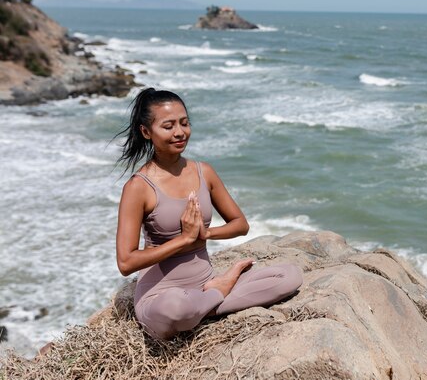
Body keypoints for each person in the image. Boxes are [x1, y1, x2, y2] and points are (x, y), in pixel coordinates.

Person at [114, 88, 303, 340]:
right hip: (162, 296)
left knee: (289, 276)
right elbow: (126, 262)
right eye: (168, 126)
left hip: (203, 282)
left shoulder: (204, 172)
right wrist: (184, 239)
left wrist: (206, 233)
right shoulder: (138, 187)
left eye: (184, 123)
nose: (180, 132)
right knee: (176, 309)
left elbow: (240, 224)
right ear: (146, 132)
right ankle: (219, 293)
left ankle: (209, 299)